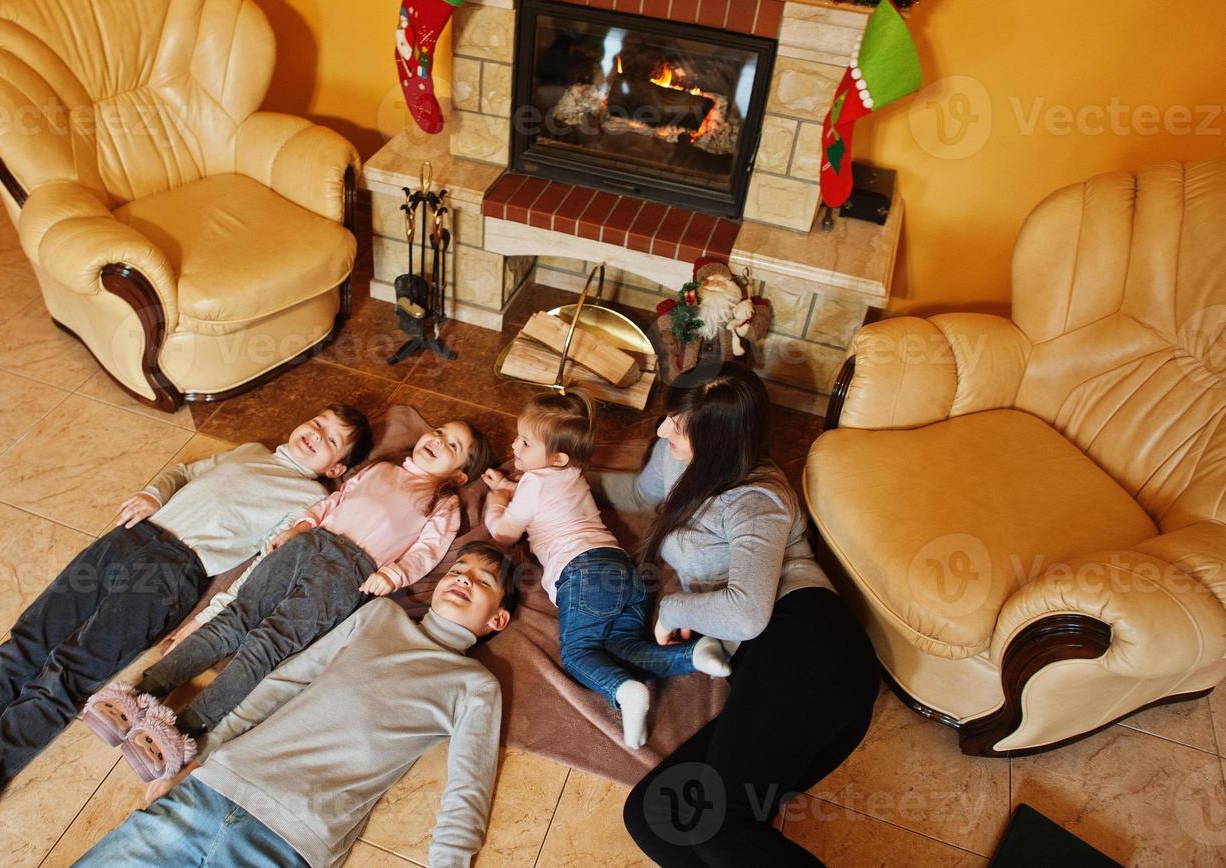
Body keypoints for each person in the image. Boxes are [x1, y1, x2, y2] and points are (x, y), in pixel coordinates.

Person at [0, 405, 372, 868]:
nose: (314, 432)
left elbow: (276, 557)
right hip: (126, 541)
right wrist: (153, 491)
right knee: (13, 655)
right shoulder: (246, 450)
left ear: (336, 468)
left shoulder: (309, 501)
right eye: (315, 421)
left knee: (62, 678)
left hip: (173, 575)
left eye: (332, 440)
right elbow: (187, 469)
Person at [87, 420, 494, 780]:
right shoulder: (380, 469)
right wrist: (301, 526)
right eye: (439, 431)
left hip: (351, 571)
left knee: (269, 644)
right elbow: (332, 502)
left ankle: (184, 727)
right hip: (308, 544)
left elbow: (426, 552)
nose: (438, 440)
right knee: (234, 619)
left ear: (459, 475)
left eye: (452, 446)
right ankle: (144, 690)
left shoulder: (443, 504)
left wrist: (393, 574)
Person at [77, 542, 518, 868]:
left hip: (294, 840)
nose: (463, 579)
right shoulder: (379, 615)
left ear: (497, 620)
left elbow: (469, 784)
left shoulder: (475, 686)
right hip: (216, 787)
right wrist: (200, 756)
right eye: (458, 570)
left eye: (483, 581)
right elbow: (285, 680)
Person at [602, 365, 880, 866]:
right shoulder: (674, 455)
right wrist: (552, 485)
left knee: (718, 825)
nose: (662, 431)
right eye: (669, 416)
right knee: (653, 816)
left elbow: (749, 615)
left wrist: (673, 607)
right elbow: (638, 494)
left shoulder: (757, 499)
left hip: (809, 641)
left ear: (721, 440)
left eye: (677, 426)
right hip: (764, 669)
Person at [483, 388, 729, 749]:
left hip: (582, 575)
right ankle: (694, 655)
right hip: (623, 570)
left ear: (556, 456)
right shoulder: (571, 472)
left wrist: (495, 502)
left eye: (525, 443)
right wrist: (510, 486)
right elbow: (547, 496)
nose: (514, 447)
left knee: (578, 653)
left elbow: (504, 534)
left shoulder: (533, 482)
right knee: (622, 648)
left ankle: (625, 693)